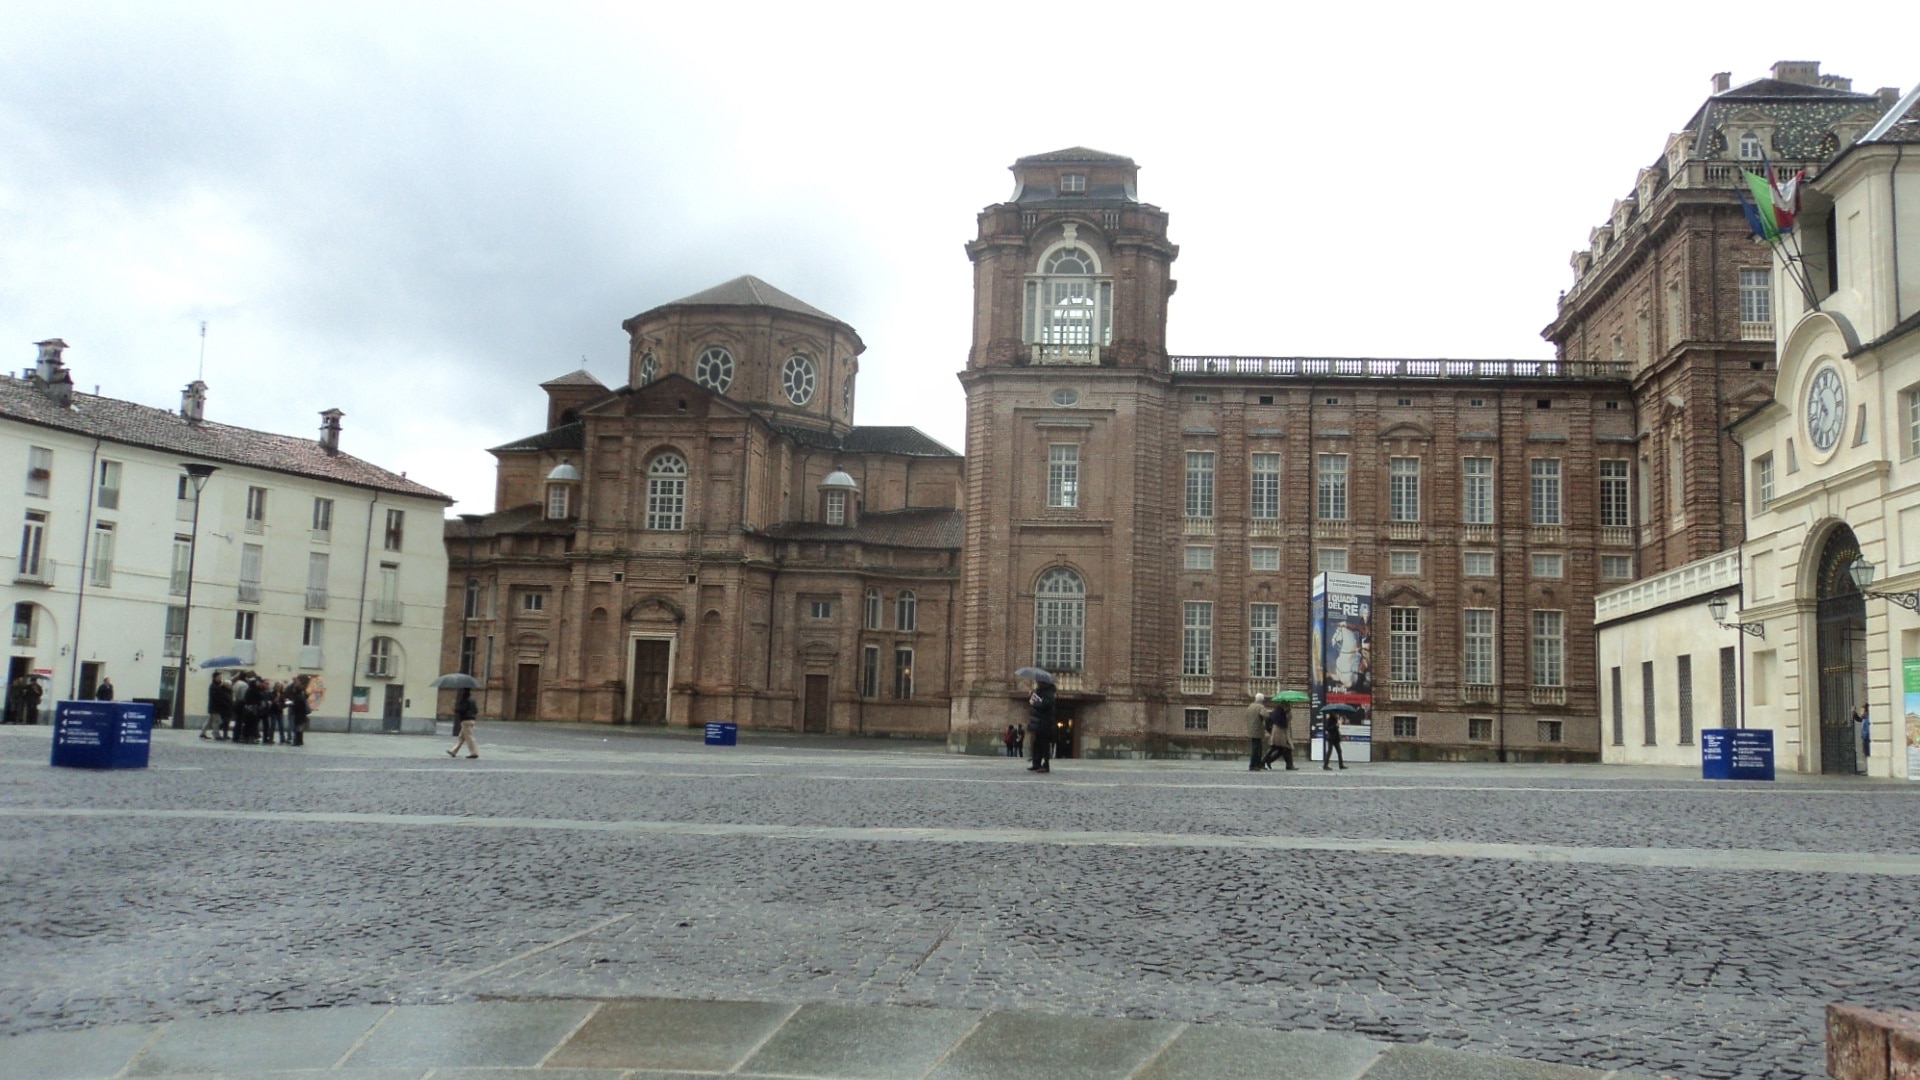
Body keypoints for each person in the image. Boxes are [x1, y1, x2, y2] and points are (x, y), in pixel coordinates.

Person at [1026, 678, 1055, 773]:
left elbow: (1045, 705)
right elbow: (1037, 702)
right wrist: (1031, 696)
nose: (1037, 682)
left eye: (1038, 681)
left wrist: (1035, 703)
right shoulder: (1040, 691)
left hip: (1045, 723)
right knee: (1037, 744)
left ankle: (1046, 765)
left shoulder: (1049, 692)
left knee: (1044, 745)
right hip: (1038, 722)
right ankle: (1036, 764)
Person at [1263, 700, 1295, 770]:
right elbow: (1283, 724)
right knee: (1285, 748)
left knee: (1279, 748)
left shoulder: (1280, 711)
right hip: (1279, 732)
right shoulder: (1280, 712)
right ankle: (1289, 765)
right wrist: (1288, 714)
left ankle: (1266, 761)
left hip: (1279, 732)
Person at [448, 689, 479, 759]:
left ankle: (474, 753)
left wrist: (455, 708)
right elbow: (476, 710)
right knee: (461, 737)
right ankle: (453, 751)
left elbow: (461, 709)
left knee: (469, 737)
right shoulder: (472, 699)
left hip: (465, 720)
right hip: (472, 719)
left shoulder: (464, 700)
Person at [203, 672, 230, 740]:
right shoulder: (213, 686)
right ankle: (216, 734)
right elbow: (215, 697)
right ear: (215, 677)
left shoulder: (217, 685)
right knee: (216, 721)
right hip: (214, 706)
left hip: (214, 706)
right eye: (219, 677)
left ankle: (202, 733)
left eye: (220, 677)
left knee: (210, 721)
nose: (220, 678)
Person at [1246, 692, 1269, 771]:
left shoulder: (1250, 706)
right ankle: (1254, 765)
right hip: (1257, 729)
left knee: (1255, 747)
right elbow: (1266, 716)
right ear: (1261, 700)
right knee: (1257, 748)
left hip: (1250, 729)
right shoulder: (1260, 707)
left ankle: (1257, 764)